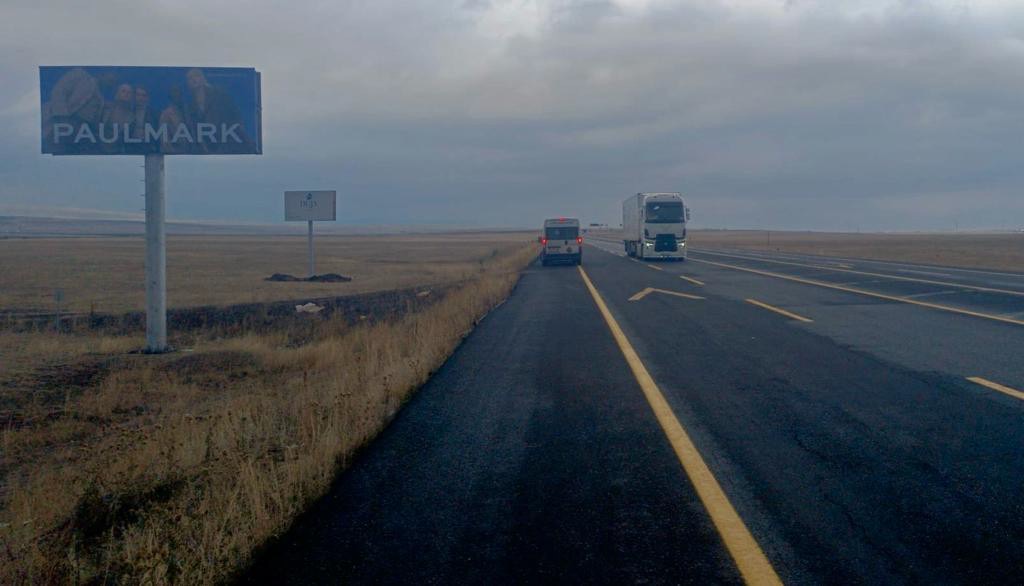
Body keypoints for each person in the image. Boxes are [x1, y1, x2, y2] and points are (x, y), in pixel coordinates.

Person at [185, 68, 253, 153]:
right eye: (190, 78)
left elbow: (234, 113)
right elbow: (194, 128)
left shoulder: (218, 94)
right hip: (210, 144)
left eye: (197, 76)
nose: (194, 79)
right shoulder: (190, 105)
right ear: (187, 83)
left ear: (203, 78)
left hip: (228, 138)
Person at [40, 67, 105, 154]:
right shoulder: (79, 74)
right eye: (113, 76)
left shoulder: (101, 99)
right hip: (59, 123)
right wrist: (63, 119)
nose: (113, 80)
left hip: (78, 132)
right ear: (104, 74)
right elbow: (59, 91)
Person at [99, 83, 135, 153]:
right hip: (99, 150)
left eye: (129, 92)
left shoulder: (133, 116)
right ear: (117, 93)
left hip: (118, 152)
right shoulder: (104, 108)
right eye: (123, 91)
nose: (126, 94)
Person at [129, 85, 160, 153]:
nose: (141, 98)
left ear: (148, 98)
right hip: (130, 148)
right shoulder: (128, 112)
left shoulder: (155, 115)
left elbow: (158, 133)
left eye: (143, 95)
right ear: (134, 97)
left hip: (149, 149)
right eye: (138, 95)